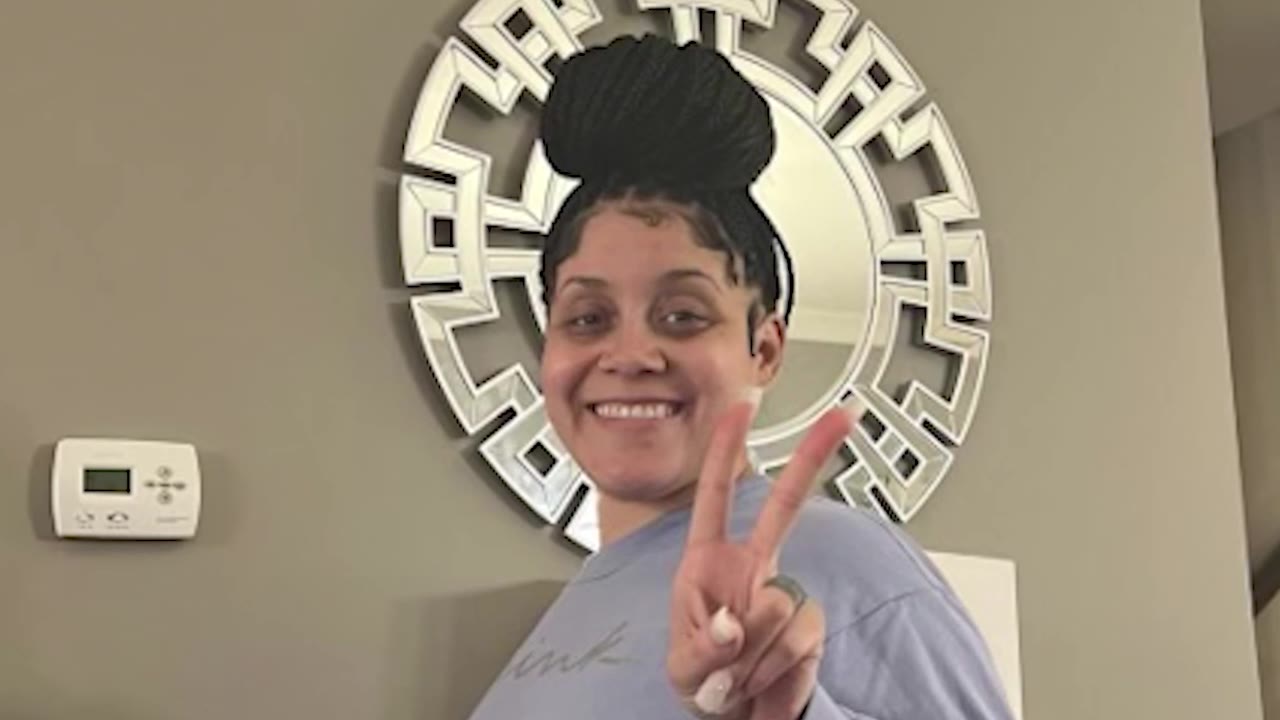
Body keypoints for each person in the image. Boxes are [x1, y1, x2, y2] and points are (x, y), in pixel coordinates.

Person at [467, 34, 1014, 720]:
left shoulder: (844, 559)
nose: (629, 354)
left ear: (765, 349)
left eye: (683, 316)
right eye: (588, 318)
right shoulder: (574, 606)